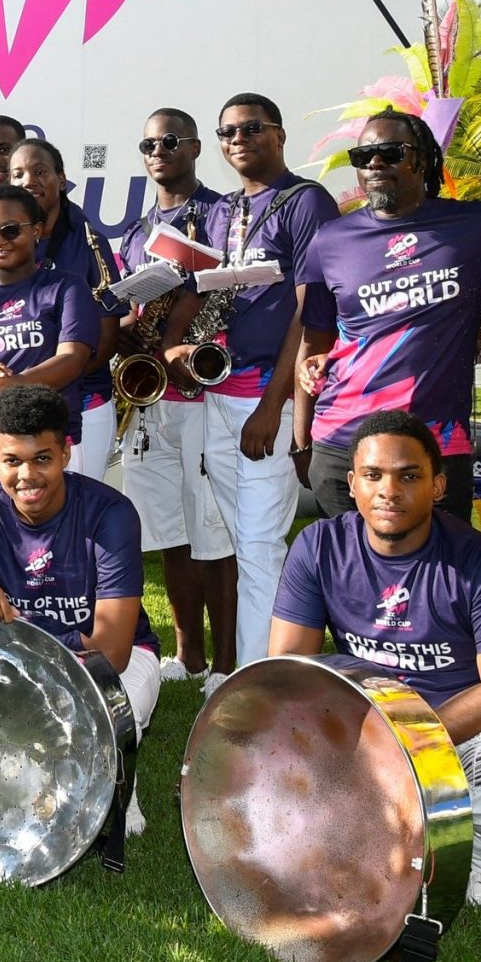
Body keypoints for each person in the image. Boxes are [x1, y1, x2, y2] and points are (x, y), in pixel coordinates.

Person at [269, 409, 481, 911]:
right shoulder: (318, 546)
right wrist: (342, 747)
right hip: (363, 723)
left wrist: (409, 744)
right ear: (352, 483)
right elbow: (289, 665)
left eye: (409, 476)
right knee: (268, 778)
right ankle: (385, 834)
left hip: (464, 725)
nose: (388, 491)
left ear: (438, 486)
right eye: (373, 476)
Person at [0, 383, 160, 837]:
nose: (27, 476)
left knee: (94, 712)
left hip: (109, 662)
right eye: (12, 461)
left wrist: (22, 638)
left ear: (65, 452)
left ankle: (120, 776)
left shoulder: (110, 513)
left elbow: (112, 650)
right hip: (21, 654)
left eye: (41, 458)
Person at [294, 109, 481, 524]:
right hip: (342, 439)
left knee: (437, 578)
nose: (375, 164)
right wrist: (300, 440)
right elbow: (315, 343)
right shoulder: (330, 241)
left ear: (424, 160)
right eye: (363, 156)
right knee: (352, 577)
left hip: (436, 442)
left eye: (390, 153)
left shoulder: (477, 224)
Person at [196, 94, 338, 668]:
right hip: (218, 397)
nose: (238, 139)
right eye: (227, 131)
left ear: (279, 135)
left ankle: (260, 676)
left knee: (258, 546)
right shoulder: (223, 210)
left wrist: (274, 406)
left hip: (263, 402)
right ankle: (260, 665)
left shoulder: (306, 203)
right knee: (242, 540)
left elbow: (310, 314)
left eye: (252, 128)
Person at [116, 107, 236, 685]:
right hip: (150, 399)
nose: (158, 150)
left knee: (212, 530)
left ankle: (226, 661)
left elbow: (222, 290)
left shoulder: (221, 213)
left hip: (203, 394)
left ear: (194, 149)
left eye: (170, 141)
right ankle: (188, 657)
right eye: (148, 143)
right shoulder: (137, 232)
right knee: (170, 533)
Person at [0, 186, 102, 493]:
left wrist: (13, 385)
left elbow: (73, 358)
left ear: (38, 231)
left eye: (11, 230)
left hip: (48, 444)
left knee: (58, 539)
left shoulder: (66, 287)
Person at [8, 137, 123, 477]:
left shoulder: (90, 241)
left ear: (61, 178)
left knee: (79, 511)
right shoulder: (2, 243)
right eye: (18, 174)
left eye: (40, 171)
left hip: (85, 403)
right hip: (22, 407)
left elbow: (106, 338)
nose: (29, 181)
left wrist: (55, 378)